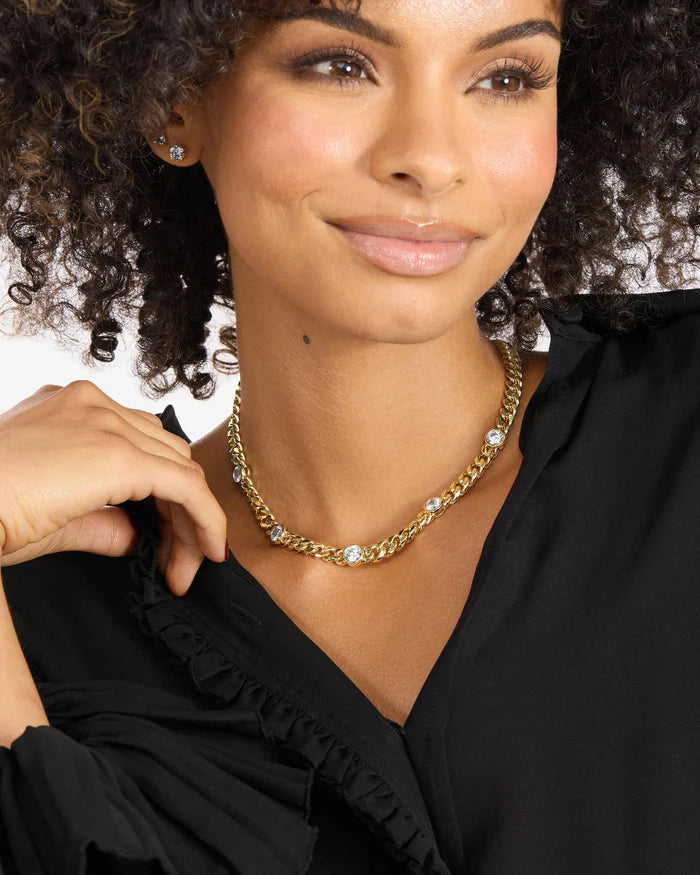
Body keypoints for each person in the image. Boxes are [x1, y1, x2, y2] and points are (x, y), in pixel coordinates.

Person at [0, 0, 698, 871]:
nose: (430, 159)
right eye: (340, 66)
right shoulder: (50, 607)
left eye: (505, 78)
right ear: (172, 99)